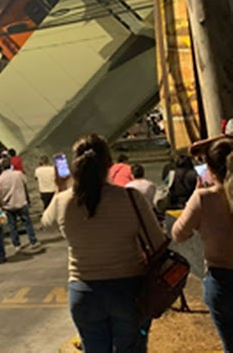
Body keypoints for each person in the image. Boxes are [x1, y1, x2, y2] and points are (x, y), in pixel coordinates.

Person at [42, 134, 165, 352]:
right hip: (129, 289)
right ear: (109, 164)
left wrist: (60, 188)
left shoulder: (63, 202)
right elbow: (158, 242)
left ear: (74, 167)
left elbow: (47, 224)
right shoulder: (130, 198)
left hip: (83, 290)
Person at [172, 139, 233, 351]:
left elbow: (178, 234)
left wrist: (195, 199)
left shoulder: (204, 198)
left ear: (209, 168)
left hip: (221, 279)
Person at [0, 159, 41, 252]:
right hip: (21, 202)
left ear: (1, 167)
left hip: (8, 205)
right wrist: (28, 199)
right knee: (27, 223)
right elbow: (25, 185)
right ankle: (33, 241)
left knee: (12, 226)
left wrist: (1, 206)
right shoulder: (19, 174)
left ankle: (16, 244)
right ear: (11, 165)